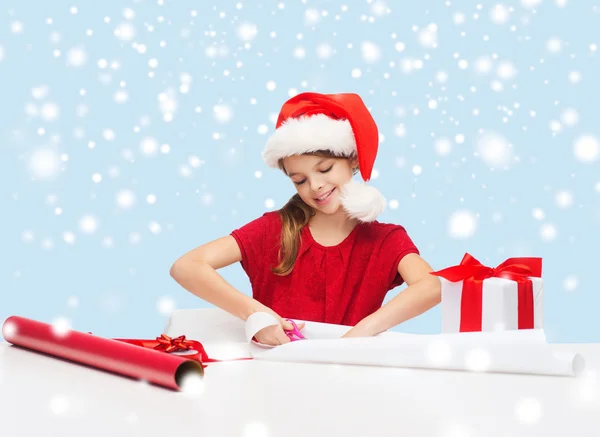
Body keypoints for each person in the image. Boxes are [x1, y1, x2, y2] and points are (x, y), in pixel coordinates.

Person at [170, 92, 441, 346]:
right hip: (273, 378)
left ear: (353, 160)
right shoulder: (272, 231)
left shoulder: (385, 241)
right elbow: (187, 266)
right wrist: (255, 314)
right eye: (300, 180)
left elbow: (431, 286)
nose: (315, 186)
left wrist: (359, 334)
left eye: (324, 169)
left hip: (348, 378)